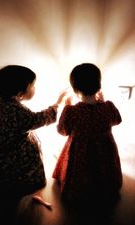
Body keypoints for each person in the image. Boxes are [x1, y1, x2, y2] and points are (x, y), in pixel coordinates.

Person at [0, 65, 67, 209]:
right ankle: (20, 190)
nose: (34, 89)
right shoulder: (17, 111)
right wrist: (57, 104)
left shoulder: (1, 98)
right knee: (24, 167)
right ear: (19, 91)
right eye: (32, 86)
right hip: (17, 147)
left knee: (3, 165)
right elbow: (36, 120)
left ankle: (2, 184)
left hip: (3, 139)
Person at [52, 63, 123, 205]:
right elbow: (117, 120)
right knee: (102, 170)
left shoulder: (71, 111)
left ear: (75, 89)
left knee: (79, 171)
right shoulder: (108, 107)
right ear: (99, 85)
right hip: (104, 151)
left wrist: (66, 107)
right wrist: (102, 102)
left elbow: (62, 131)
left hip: (80, 152)